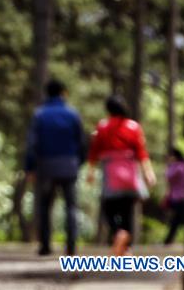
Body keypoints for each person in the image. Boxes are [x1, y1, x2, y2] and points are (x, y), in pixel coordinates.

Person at [86, 95, 156, 256]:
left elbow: (94, 152)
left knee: (108, 208)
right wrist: (148, 173)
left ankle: (118, 232)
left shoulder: (103, 127)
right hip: (131, 173)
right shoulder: (134, 127)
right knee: (128, 210)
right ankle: (127, 247)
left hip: (111, 174)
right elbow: (141, 152)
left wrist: (90, 173)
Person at [24, 79, 85, 256]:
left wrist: (30, 168)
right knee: (71, 207)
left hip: (46, 166)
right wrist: (78, 162)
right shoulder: (72, 114)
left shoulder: (39, 115)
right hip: (69, 166)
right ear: (62, 93)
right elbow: (81, 142)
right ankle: (71, 247)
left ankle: (45, 245)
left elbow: (31, 144)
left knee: (45, 206)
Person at [163, 147, 184, 245]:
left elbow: (169, 176)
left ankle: (168, 240)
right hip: (178, 197)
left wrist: (169, 167)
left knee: (179, 219)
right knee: (179, 219)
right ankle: (168, 239)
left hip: (180, 197)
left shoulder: (178, 167)